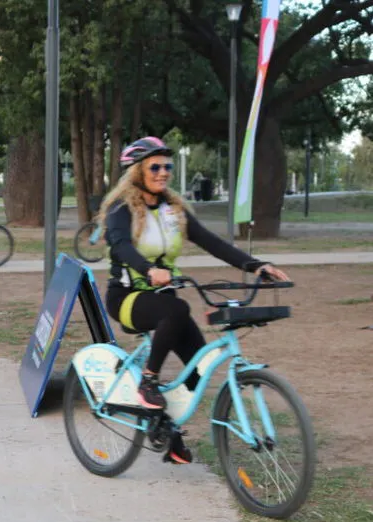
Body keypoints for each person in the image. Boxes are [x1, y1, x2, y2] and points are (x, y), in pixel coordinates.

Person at [102, 136, 290, 464]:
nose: (163, 173)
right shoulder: (121, 209)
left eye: (168, 167)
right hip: (127, 297)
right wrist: (147, 270)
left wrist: (256, 265)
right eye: (155, 167)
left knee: (195, 372)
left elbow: (211, 242)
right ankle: (148, 381)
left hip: (165, 302)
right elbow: (120, 246)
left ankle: (167, 432)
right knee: (178, 307)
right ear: (136, 172)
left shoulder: (174, 211)